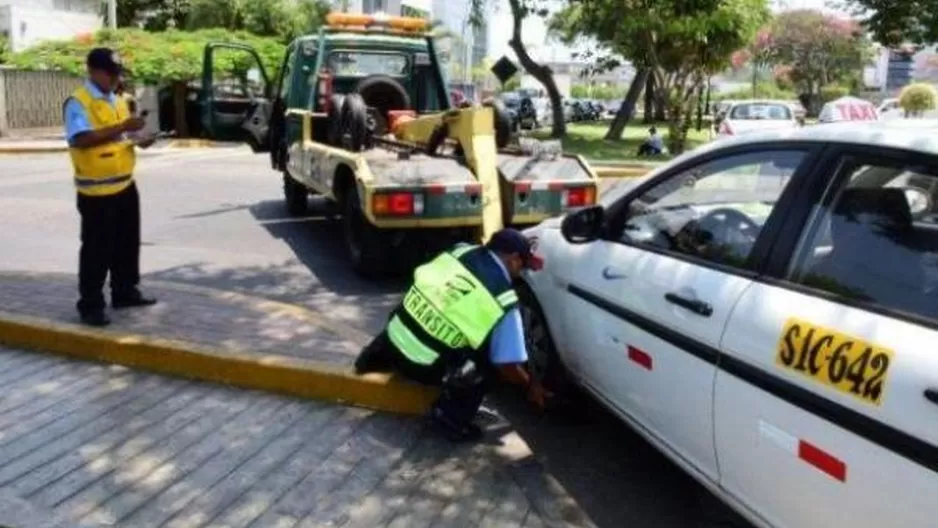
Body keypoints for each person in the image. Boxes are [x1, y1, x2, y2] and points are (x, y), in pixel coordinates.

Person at [355, 228, 550, 442]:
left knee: (423, 305)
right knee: (491, 357)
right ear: (513, 260)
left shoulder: (459, 252)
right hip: (422, 366)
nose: (520, 273)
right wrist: (530, 385)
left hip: (393, 340)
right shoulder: (503, 298)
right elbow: (507, 365)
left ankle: (371, 357)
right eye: (523, 266)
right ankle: (450, 419)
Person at [64, 48, 157, 327]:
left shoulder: (117, 100)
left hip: (125, 185)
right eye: (111, 73)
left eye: (118, 73)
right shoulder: (78, 102)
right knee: (96, 250)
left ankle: (124, 291)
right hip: (96, 192)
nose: (116, 78)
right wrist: (122, 126)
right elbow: (80, 139)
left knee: (127, 244)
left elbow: (123, 136)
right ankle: (91, 305)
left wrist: (141, 138)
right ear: (93, 71)